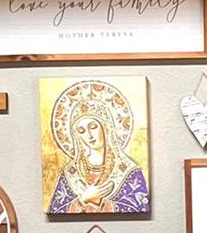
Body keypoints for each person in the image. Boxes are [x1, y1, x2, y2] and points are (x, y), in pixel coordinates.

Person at [47, 82, 149, 214]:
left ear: (106, 128)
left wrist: (99, 201)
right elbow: (56, 210)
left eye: (93, 127)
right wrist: (83, 200)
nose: (89, 135)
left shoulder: (129, 171)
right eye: (81, 131)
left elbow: (140, 207)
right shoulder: (70, 173)